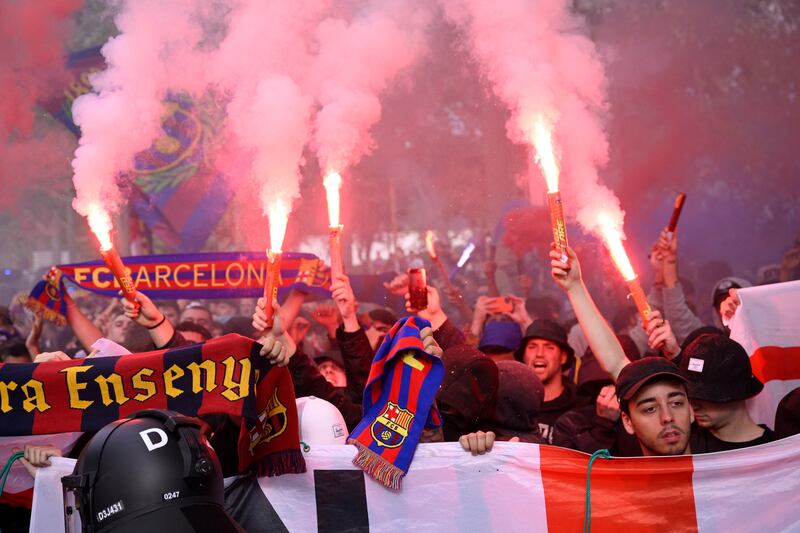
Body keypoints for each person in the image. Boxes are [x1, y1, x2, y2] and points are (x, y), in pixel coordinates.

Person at [680, 333, 775, 452]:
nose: (694, 405)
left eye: (704, 396)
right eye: (690, 395)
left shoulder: (777, 452)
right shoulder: (684, 447)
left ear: (736, 392)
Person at [515, 318, 581, 442]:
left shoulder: (580, 407)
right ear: (523, 356)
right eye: (532, 347)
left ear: (563, 357)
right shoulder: (511, 405)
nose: (539, 353)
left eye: (549, 347)